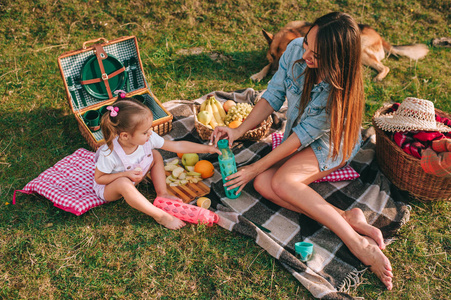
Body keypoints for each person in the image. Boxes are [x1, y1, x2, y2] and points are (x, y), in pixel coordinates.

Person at [212, 12, 393, 290]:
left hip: (333, 144)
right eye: (307, 43)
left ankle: (357, 243)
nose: (306, 54)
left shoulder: (337, 88)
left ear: (336, 60)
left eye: (317, 54)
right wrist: (238, 131)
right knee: (262, 183)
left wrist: (252, 167)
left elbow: (299, 139)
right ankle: (346, 216)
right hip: (298, 135)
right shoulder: (296, 49)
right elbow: (272, 96)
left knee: (279, 181)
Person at [94, 97, 221, 230]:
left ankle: (162, 193)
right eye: (144, 132)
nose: (150, 133)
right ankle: (160, 216)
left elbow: (178, 146)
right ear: (125, 136)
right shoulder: (109, 154)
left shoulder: (148, 138)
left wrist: (207, 148)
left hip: (134, 177)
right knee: (123, 183)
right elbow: (100, 178)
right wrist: (124, 174)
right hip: (111, 189)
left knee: (155, 154)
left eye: (149, 128)